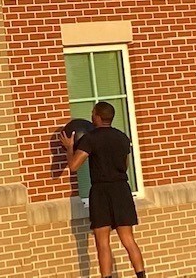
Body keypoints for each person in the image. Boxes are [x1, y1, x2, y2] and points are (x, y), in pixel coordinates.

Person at [60, 101, 146, 278]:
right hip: (122, 189)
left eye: (93, 113)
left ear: (97, 116)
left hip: (101, 191)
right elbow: (125, 166)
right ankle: (142, 276)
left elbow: (74, 166)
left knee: (102, 242)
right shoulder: (122, 138)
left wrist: (69, 148)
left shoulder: (90, 139)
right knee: (128, 240)